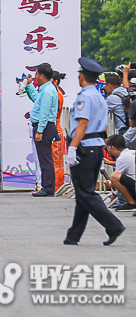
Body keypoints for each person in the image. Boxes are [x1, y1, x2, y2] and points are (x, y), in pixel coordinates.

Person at [64, 57, 125, 246]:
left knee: (85, 193)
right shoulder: (99, 96)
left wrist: (73, 147)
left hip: (85, 147)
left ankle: (113, 225)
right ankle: (73, 235)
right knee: (84, 193)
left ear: (82, 76)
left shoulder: (85, 97)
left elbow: (82, 124)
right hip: (96, 146)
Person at [25, 63, 59, 197]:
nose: (35, 77)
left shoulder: (47, 91)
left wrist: (40, 131)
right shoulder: (45, 89)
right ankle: (46, 186)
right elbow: (36, 99)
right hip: (43, 126)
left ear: (42, 76)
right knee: (43, 158)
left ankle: (48, 187)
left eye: (37, 74)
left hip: (43, 127)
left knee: (45, 159)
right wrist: (29, 85)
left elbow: (44, 113)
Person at [105, 134, 136, 211]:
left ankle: (131, 203)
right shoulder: (132, 152)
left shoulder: (121, 159)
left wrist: (110, 184)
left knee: (114, 177)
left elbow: (116, 179)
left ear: (111, 147)